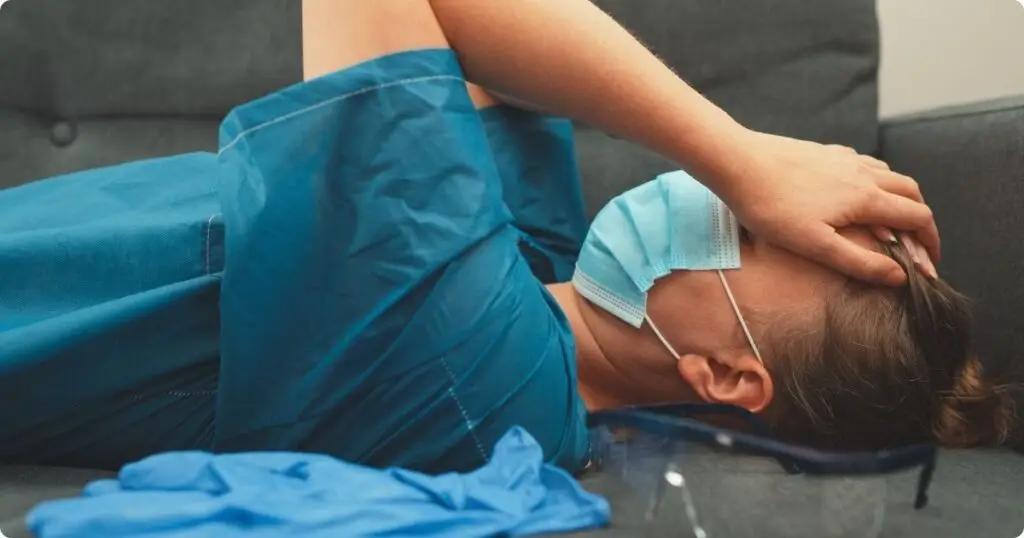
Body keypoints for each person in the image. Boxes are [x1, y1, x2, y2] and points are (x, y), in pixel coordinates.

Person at [0, 0, 1004, 474]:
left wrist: (738, 155)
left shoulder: (475, 373)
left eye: (739, 223)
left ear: (726, 375)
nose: (705, 192)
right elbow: (487, 41)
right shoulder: (529, 270)